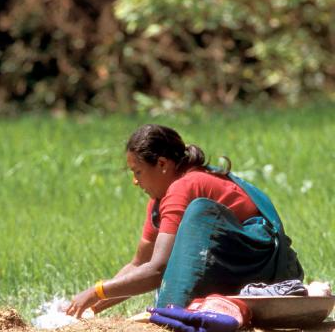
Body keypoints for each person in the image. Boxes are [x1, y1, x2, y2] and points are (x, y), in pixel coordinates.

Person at [66, 124, 304, 318]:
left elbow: (156, 270)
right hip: (238, 266)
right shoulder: (163, 199)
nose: (135, 182)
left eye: (137, 171)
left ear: (162, 164)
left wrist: (97, 292)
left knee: (196, 218)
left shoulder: (185, 186)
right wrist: (91, 307)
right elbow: (140, 264)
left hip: (269, 269)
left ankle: (173, 314)